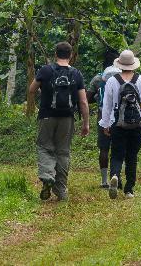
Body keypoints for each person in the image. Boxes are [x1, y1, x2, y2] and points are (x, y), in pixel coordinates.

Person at [27, 41, 89, 201]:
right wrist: (86, 123)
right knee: (63, 151)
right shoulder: (76, 74)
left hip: (47, 115)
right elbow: (83, 102)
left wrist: (44, 92)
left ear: (55, 54)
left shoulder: (45, 70)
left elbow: (31, 90)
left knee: (44, 147)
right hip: (67, 118)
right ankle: (61, 190)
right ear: (71, 55)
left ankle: (47, 176)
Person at [99, 49, 141, 199]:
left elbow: (106, 105)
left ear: (119, 65)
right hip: (137, 125)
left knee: (117, 155)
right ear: (133, 65)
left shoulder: (112, 81)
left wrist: (105, 124)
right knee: (132, 156)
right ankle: (129, 190)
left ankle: (114, 175)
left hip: (117, 124)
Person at [87, 66, 120, 188]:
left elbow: (87, 98)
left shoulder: (97, 79)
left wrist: (97, 98)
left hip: (102, 116)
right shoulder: (123, 77)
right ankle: (116, 176)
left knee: (104, 149)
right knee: (118, 148)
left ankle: (104, 181)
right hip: (120, 117)